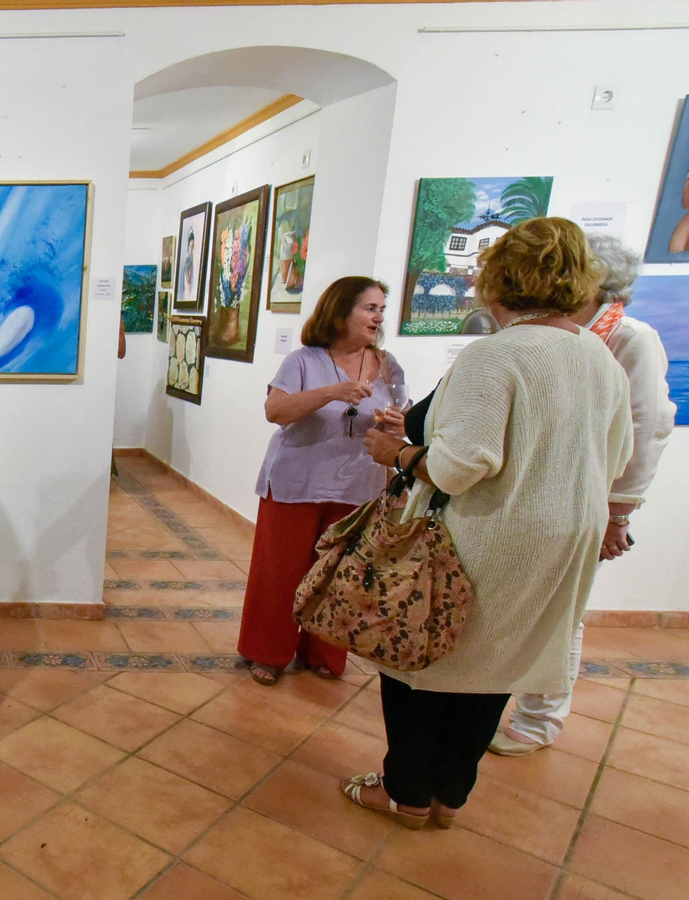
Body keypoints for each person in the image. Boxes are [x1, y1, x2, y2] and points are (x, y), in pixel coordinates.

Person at [354, 217, 632, 828]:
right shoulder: (598, 356)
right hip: (564, 537)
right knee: (498, 664)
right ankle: (451, 796)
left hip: (488, 534)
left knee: (421, 658)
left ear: (498, 280)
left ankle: (406, 792)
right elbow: (616, 455)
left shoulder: (496, 354)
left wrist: (394, 455)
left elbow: (457, 468)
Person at [485, 234, 676, 756]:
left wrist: (619, 512)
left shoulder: (628, 338)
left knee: (562, 613)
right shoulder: (570, 336)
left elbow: (649, 425)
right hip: (536, 495)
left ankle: (539, 717)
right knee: (522, 606)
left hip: (583, 500)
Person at [237, 276, 404, 686]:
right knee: (281, 574)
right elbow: (275, 410)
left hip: (359, 487)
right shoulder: (302, 361)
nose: (379, 316)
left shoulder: (388, 364)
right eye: (370, 308)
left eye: (382, 308)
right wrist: (333, 391)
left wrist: (398, 425)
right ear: (341, 311)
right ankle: (268, 652)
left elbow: (398, 419)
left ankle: (323, 653)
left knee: (340, 575)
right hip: (297, 483)